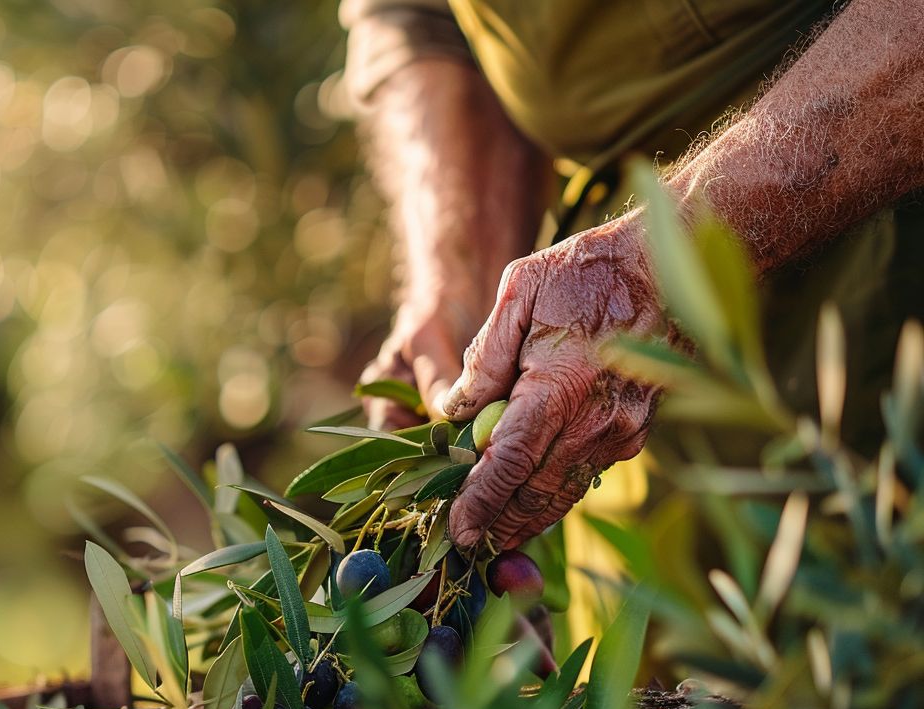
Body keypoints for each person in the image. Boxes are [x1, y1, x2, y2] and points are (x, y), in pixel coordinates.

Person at [344, 0, 924, 555]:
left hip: (872, 311)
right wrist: (456, 272)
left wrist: (656, 266)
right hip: (609, 413)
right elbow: (421, 17)